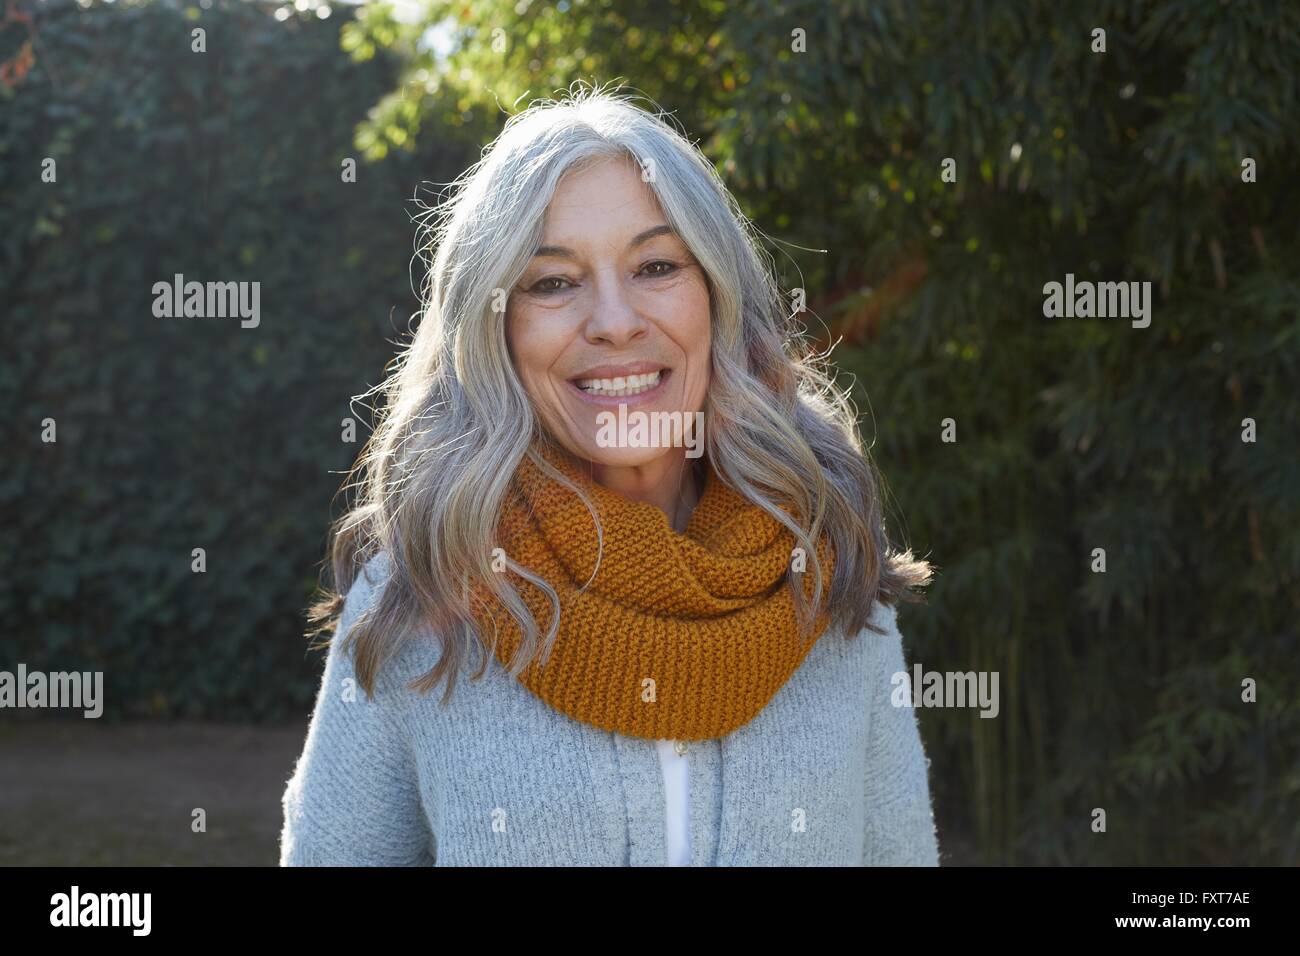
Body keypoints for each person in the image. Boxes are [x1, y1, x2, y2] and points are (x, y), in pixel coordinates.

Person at [279, 85, 940, 866]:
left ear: (717, 298)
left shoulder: (827, 565)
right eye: (553, 282)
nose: (615, 320)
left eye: (656, 265)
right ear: (497, 328)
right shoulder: (425, 587)